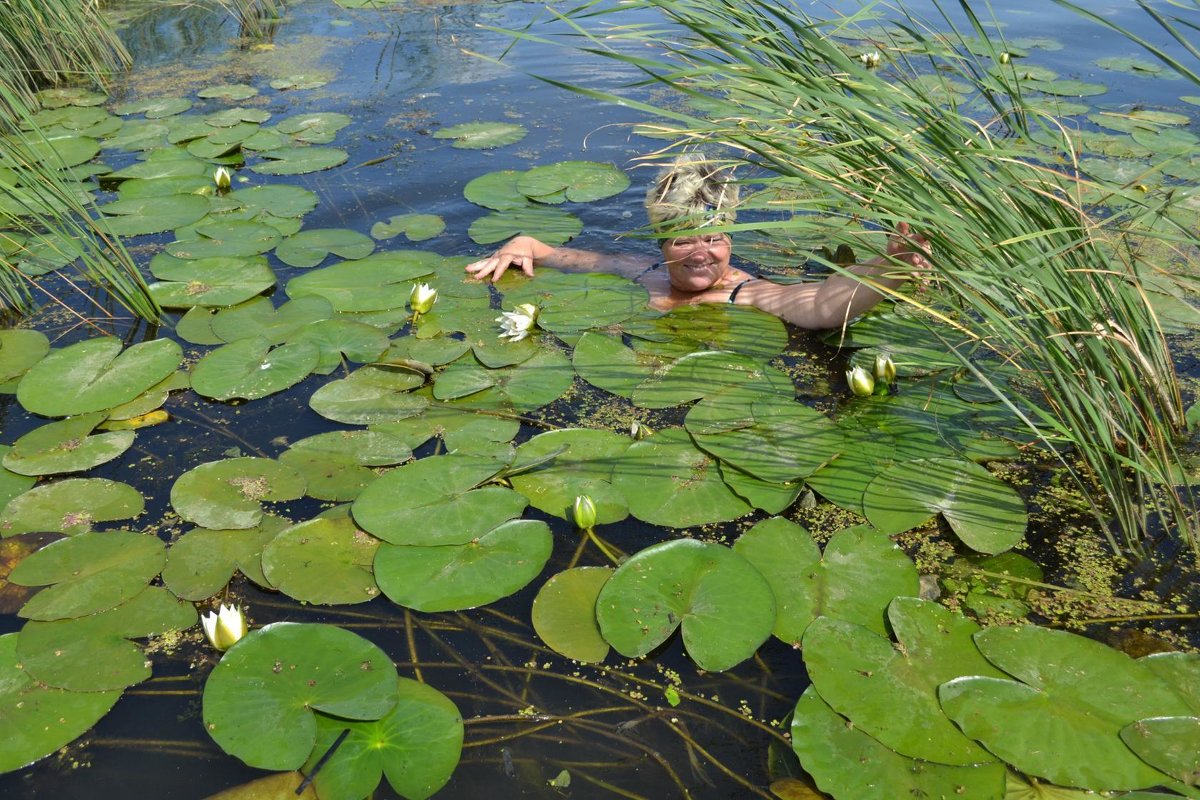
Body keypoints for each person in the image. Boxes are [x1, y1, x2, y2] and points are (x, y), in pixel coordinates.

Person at [464, 153, 931, 330]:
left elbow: (820, 305)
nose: (701, 252)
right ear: (661, 243)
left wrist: (888, 267)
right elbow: (558, 254)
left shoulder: (743, 292)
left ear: (731, 239)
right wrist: (521, 244)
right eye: (683, 241)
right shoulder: (639, 269)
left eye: (714, 238)